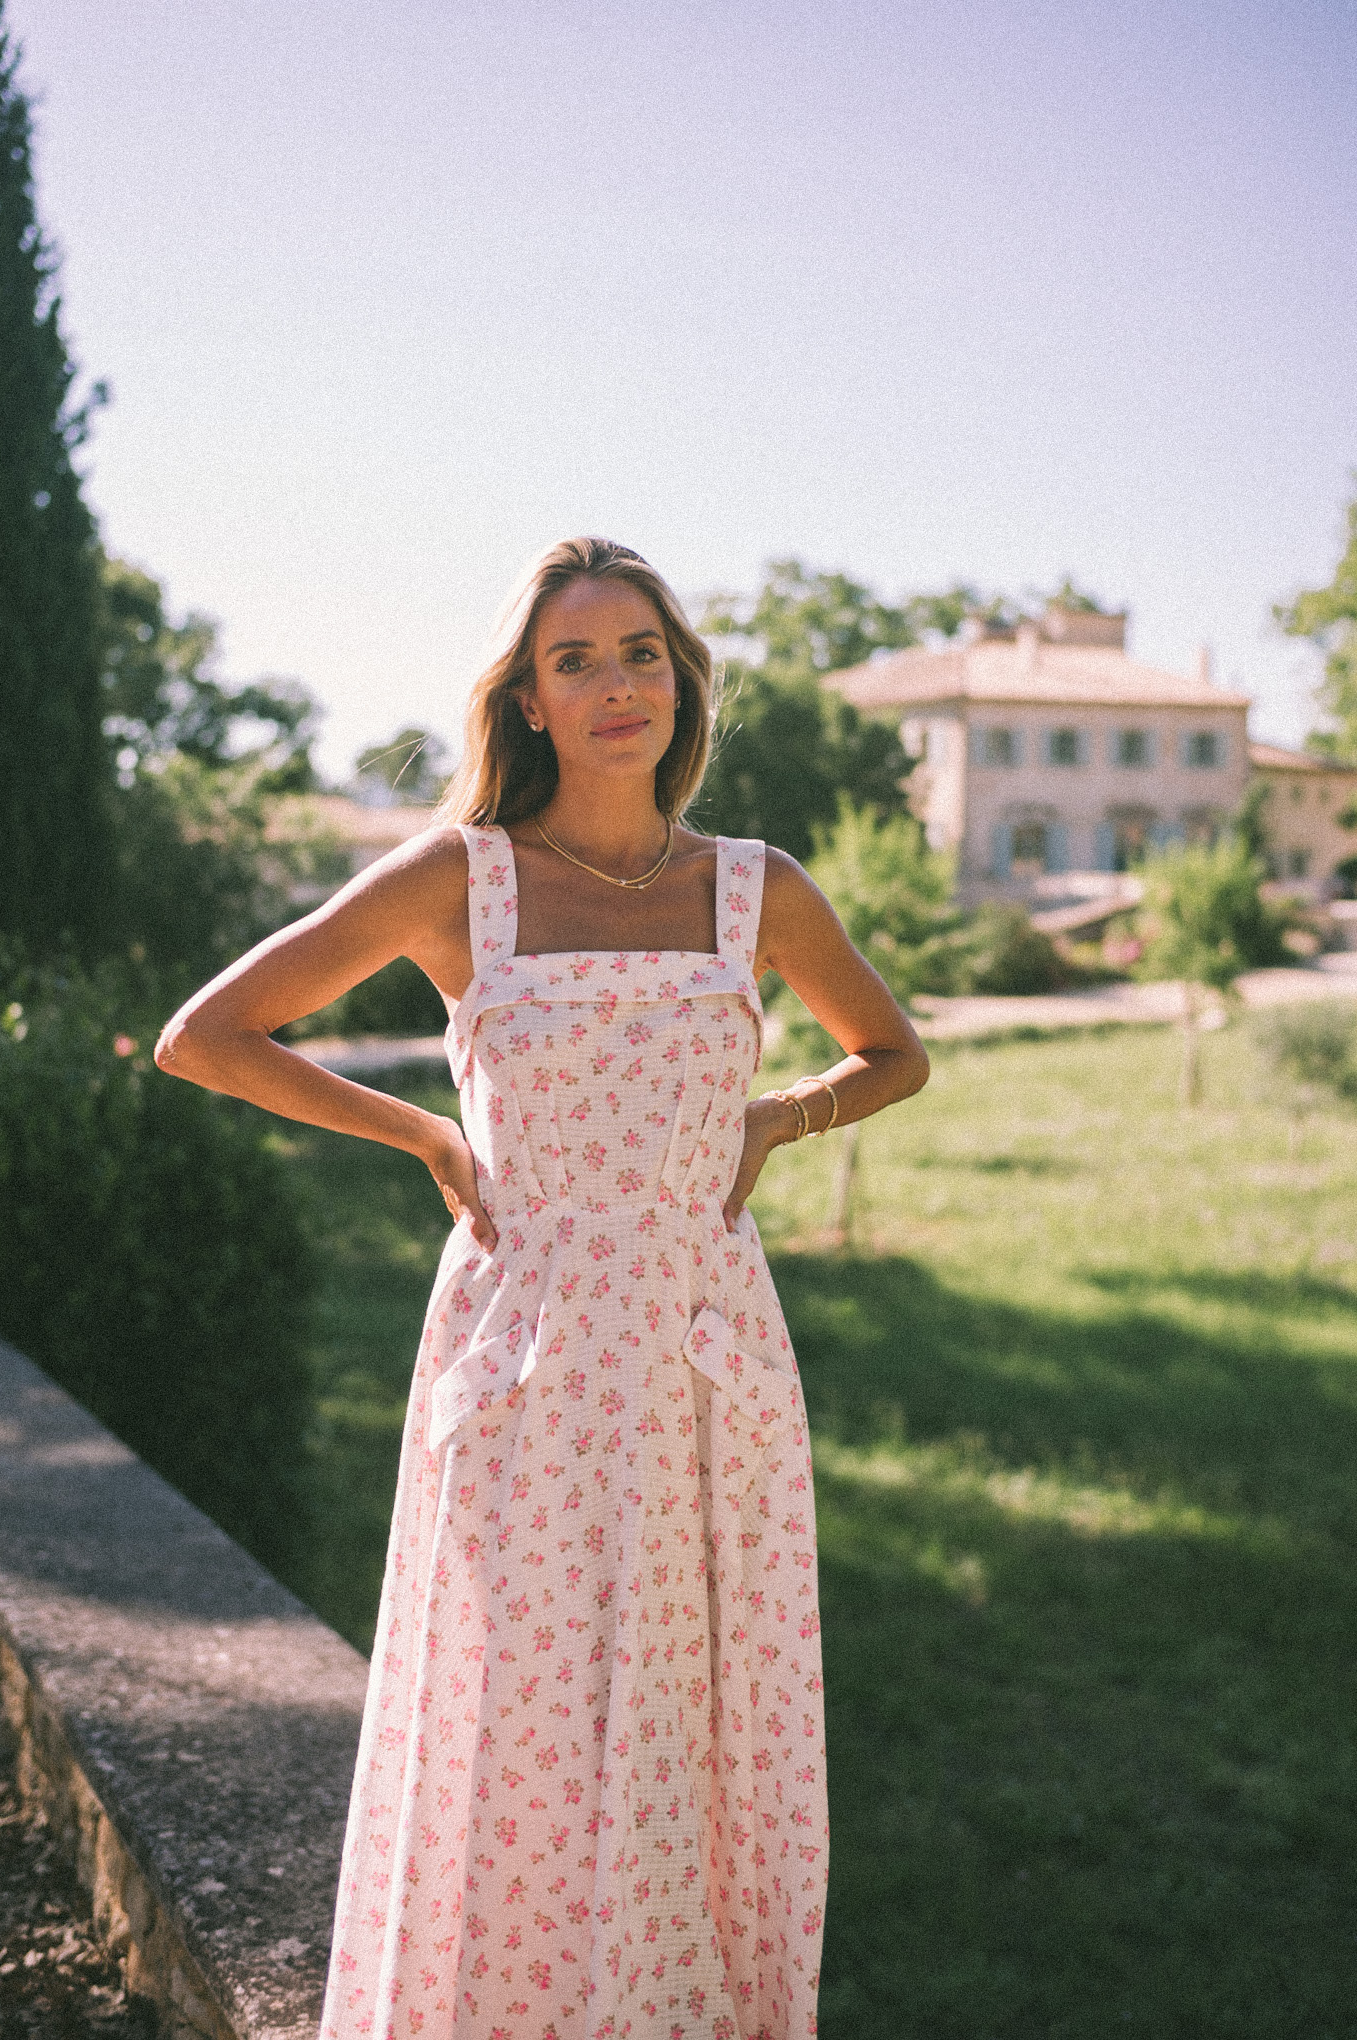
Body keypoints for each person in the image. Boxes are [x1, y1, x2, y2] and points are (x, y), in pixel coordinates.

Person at [156, 537, 929, 2040]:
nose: (616, 683)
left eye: (640, 650)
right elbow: (209, 1034)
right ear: (525, 701)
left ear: (681, 679)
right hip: (530, 1365)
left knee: (701, 1733)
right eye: (575, 660)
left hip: (713, 1366)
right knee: (520, 1730)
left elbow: (893, 1052)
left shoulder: (752, 891)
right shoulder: (466, 881)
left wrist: (783, 1116)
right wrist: (424, 1132)